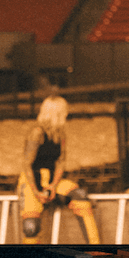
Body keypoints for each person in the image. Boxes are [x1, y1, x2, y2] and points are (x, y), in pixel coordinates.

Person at [18, 96, 98, 244]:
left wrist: (53, 185)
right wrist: (36, 191)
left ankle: (96, 248)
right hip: (31, 180)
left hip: (51, 179)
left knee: (80, 197)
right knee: (31, 227)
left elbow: (61, 162)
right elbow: (27, 164)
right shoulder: (37, 132)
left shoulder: (60, 134)